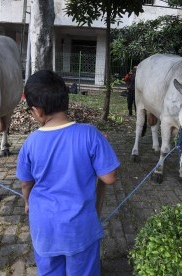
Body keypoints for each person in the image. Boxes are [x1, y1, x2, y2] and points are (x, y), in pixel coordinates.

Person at [16, 70, 120, 275]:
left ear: (37, 111)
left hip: (44, 230)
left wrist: (28, 202)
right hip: (80, 230)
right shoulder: (90, 134)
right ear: (66, 101)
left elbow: (26, 184)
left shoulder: (30, 143)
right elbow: (109, 177)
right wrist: (104, 146)